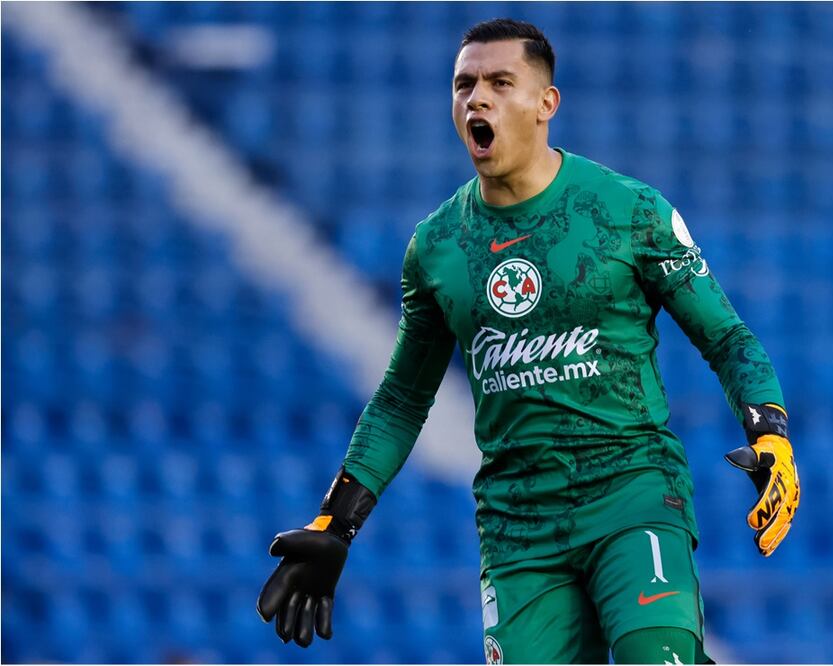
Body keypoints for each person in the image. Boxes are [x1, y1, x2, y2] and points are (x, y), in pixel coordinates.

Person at [257, 18, 800, 664]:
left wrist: (769, 430)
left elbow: (726, 336)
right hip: (518, 528)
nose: (475, 99)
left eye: (498, 82)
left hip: (628, 492)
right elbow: (402, 399)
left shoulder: (626, 213)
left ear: (546, 104)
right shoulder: (438, 247)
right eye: (463, 85)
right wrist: (336, 522)